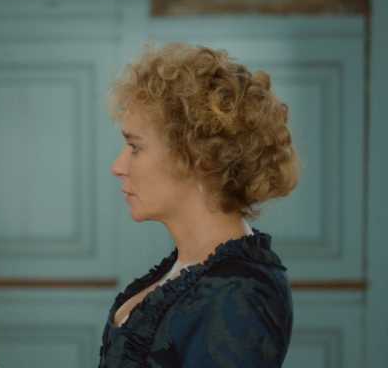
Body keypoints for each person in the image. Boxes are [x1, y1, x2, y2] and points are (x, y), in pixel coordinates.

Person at [100, 43, 299, 367]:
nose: (118, 166)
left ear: (198, 158)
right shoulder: (191, 270)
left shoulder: (237, 293)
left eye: (135, 147)